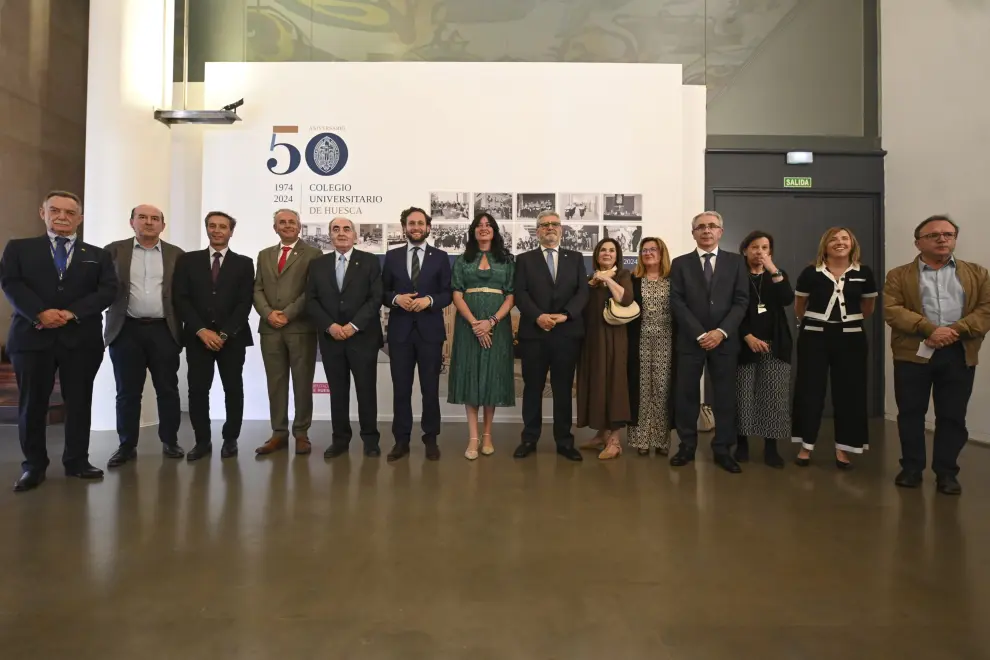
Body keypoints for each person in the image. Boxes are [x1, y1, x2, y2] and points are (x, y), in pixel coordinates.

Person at [0, 190, 118, 491]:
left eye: (69, 212)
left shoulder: (98, 255)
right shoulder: (18, 249)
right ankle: (34, 466)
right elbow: (11, 283)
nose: (62, 217)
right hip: (32, 337)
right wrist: (39, 313)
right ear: (43, 213)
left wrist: (70, 313)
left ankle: (77, 461)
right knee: (32, 405)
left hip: (80, 340)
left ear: (80, 217)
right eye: (55, 210)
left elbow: (107, 291)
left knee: (79, 403)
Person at [884, 215, 990, 495]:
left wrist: (954, 331)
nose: (942, 239)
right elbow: (892, 309)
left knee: (952, 415)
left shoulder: (977, 273)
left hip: (958, 352)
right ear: (918, 242)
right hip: (913, 353)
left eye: (948, 234)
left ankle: (946, 473)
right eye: (934, 235)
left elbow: (986, 308)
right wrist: (929, 329)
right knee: (910, 413)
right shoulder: (898, 275)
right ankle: (911, 468)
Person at [104, 204, 186, 467]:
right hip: (126, 329)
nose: (149, 222)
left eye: (155, 219)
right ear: (132, 222)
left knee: (168, 389)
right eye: (142, 217)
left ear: (163, 225)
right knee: (127, 392)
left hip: (164, 329)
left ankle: (170, 440)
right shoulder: (113, 251)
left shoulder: (177, 255)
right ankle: (126, 445)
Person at [669, 211, 749, 473]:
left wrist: (721, 332)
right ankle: (687, 446)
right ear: (693, 233)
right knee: (686, 395)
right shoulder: (680, 264)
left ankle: (723, 449)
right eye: (700, 227)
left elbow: (741, 301)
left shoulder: (736, 262)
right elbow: (677, 302)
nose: (706, 230)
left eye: (712, 226)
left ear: (720, 232)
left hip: (724, 342)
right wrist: (700, 333)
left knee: (724, 397)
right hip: (691, 342)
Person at [791, 227, 877, 469]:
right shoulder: (811, 273)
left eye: (844, 238)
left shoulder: (864, 273)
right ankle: (806, 445)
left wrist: (847, 320)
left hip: (851, 339)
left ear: (852, 243)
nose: (839, 242)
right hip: (814, 338)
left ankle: (844, 448)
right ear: (825, 245)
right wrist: (815, 323)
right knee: (810, 390)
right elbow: (800, 306)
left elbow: (868, 307)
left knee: (850, 392)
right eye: (833, 239)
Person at [173, 211, 255, 461]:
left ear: (231, 231)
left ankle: (231, 439)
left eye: (223, 226)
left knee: (233, 389)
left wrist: (224, 333)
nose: (217, 230)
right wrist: (201, 330)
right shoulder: (188, 261)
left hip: (232, 338)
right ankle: (202, 440)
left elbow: (244, 303)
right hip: (198, 338)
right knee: (198, 390)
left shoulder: (244, 263)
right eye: (212, 226)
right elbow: (181, 298)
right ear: (207, 229)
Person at [512, 210, 589, 461]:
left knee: (563, 389)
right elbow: (520, 293)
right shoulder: (524, 259)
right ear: (537, 232)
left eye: (554, 224)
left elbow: (582, 293)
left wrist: (566, 315)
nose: (549, 228)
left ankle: (564, 441)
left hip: (566, 334)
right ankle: (529, 438)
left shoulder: (575, 258)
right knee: (532, 388)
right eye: (544, 225)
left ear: (561, 230)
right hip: (534, 334)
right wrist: (538, 316)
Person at [307, 217, 383, 458]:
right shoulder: (318, 264)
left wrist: (353, 326)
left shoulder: (370, 261)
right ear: (330, 235)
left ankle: (370, 440)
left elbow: (375, 298)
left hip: (362, 338)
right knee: (338, 392)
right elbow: (311, 300)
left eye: (346, 229)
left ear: (355, 236)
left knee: (366, 391)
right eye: (336, 229)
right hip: (331, 339)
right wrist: (330, 326)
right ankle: (340, 440)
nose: (341, 233)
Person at [381, 206, 452, 462]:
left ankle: (430, 439)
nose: (416, 227)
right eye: (411, 223)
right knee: (401, 389)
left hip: (430, 333)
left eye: (420, 223)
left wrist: (430, 300)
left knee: (430, 390)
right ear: (404, 228)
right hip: (400, 333)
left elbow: (448, 293)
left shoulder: (440, 257)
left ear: (428, 227)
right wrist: (396, 298)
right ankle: (401, 440)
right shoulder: (392, 256)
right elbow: (382, 292)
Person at [252, 209, 323, 457]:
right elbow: (257, 288)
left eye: (292, 222)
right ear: (275, 228)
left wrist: (287, 314)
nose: (287, 225)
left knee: (302, 383)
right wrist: (268, 313)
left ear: (299, 226)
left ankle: (301, 433)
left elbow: (311, 291)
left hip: (300, 328)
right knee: (276, 383)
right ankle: (278, 433)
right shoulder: (264, 255)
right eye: (282, 222)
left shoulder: (313, 254)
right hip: (269, 329)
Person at [447, 212, 515, 459]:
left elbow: (510, 295)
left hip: (498, 325)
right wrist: (476, 324)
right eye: (479, 225)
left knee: (492, 375)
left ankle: (488, 435)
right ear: (473, 231)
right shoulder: (463, 259)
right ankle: (473, 437)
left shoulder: (507, 260)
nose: (484, 228)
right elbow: (456, 293)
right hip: (468, 326)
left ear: (495, 231)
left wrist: (492, 322)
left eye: (488, 225)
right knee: (470, 375)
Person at [734, 231, 794, 469]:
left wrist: (773, 270)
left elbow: (787, 299)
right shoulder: (737, 275)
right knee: (743, 396)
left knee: (774, 397)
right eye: (755, 247)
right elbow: (732, 310)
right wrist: (747, 336)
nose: (760, 252)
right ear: (745, 250)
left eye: (765, 247)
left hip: (774, 344)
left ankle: (771, 448)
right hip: (744, 343)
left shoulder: (777, 275)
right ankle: (742, 444)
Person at [576, 238, 634, 459]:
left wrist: (607, 279)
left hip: (613, 338)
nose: (607, 254)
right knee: (597, 383)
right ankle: (601, 434)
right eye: (603, 250)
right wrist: (594, 280)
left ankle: (615, 440)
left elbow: (626, 300)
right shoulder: (589, 279)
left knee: (614, 384)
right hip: (590, 339)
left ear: (617, 255)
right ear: (596, 255)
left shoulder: (623, 276)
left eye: (611, 250)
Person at [626, 237, 675, 456]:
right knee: (641, 388)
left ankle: (662, 441)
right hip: (640, 340)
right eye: (644, 250)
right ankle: (641, 440)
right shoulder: (633, 279)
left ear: (661, 252)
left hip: (667, 339)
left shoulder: (673, 279)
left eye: (652, 249)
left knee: (663, 389)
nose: (648, 253)